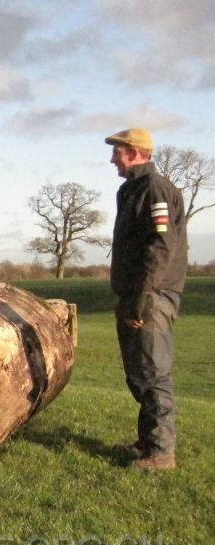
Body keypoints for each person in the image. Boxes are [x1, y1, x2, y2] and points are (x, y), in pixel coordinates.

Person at [105, 127, 188, 471]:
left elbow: (160, 248)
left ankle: (160, 453)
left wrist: (140, 300)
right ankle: (147, 443)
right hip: (136, 295)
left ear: (135, 152)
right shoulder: (132, 190)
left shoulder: (154, 189)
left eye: (118, 152)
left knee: (153, 373)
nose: (113, 159)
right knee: (139, 373)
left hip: (151, 297)